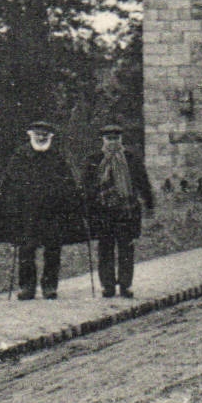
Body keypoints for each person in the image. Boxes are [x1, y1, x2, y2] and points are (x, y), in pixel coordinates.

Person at [0, 121, 89, 300]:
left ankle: (49, 286)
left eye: (45, 134)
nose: (41, 137)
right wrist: (13, 206)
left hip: (52, 211)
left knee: (53, 249)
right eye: (38, 134)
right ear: (31, 135)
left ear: (50, 137)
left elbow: (67, 182)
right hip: (27, 211)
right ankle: (27, 287)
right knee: (26, 248)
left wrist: (71, 202)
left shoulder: (57, 156)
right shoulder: (20, 156)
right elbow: (10, 183)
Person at [86, 124, 156, 299]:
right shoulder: (94, 159)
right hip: (102, 212)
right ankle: (108, 286)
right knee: (105, 249)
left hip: (127, 210)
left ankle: (125, 285)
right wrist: (86, 207)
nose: (112, 142)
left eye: (116, 139)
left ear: (120, 140)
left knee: (126, 248)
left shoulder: (131, 159)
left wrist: (149, 204)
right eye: (109, 139)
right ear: (103, 140)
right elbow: (86, 185)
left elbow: (142, 182)